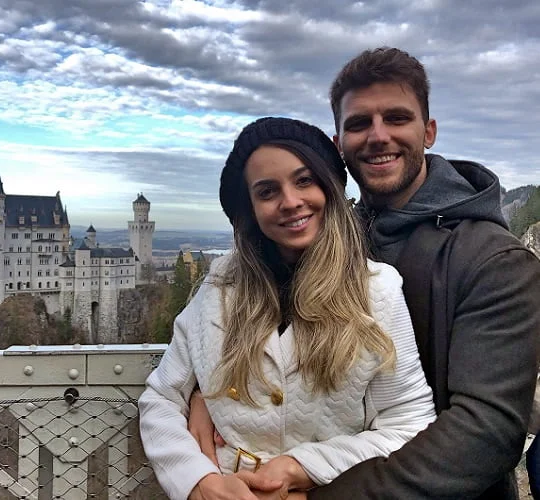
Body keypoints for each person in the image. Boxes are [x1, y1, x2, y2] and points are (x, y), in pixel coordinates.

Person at [188, 48, 540, 499]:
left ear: (428, 131)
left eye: (396, 118)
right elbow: (258, 319)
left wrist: (320, 492)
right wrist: (213, 392)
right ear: (339, 143)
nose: (377, 136)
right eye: (358, 124)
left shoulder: (492, 260)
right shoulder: (325, 238)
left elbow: (485, 432)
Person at [139, 116, 436, 500]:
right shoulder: (219, 288)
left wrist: (302, 467)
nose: (290, 202)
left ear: (328, 187)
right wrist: (199, 484)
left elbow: (409, 422)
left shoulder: (376, 291)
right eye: (267, 191)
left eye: (304, 180)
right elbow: (162, 399)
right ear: (250, 208)